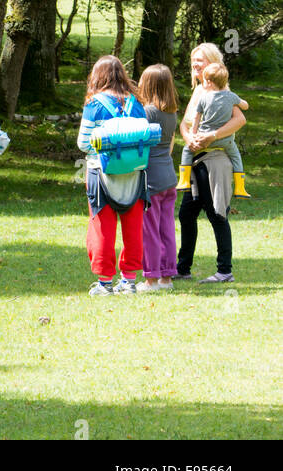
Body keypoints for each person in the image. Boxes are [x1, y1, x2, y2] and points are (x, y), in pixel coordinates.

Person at [76, 55, 148, 295]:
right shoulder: (136, 103)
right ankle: (129, 281)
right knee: (133, 228)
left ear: (97, 76)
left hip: (101, 173)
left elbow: (83, 143)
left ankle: (105, 282)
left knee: (102, 228)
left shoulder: (94, 104)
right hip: (135, 175)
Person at [175, 43, 245, 284]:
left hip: (215, 161)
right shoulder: (198, 92)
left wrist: (211, 136)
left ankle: (224, 271)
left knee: (218, 215)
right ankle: (183, 268)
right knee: (186, 214)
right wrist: (189, 139)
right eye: (193, 60)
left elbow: (240, 120)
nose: (195, 64)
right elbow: (184, 124)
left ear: (213, 64)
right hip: (195, 160)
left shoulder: (222, 92)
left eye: (201, 60)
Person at [136, 64, 179, 292]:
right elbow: (169, 146)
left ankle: (151, 278)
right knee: (166, 228)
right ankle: (167, 277)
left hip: (150, 180)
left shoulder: (147, 112)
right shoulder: (171, 113)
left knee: (149, 230)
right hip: (168, 177)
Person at [183, 62, 250, 198]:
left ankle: (183, 181)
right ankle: (240, 187)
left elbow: (196, 119)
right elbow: (245, 106)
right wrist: (238, 101)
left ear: (208, 82)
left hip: (203, 138)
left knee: (187, 151)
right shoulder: (231, 96)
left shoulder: (203, 98)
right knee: (236, 156)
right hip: (225, 141)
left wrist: (193, 134)